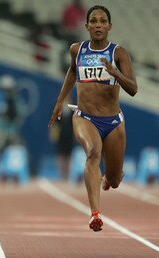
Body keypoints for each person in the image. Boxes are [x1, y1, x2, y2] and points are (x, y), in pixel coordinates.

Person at [48, 5, 138, 232]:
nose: (98, 25)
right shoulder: (77, 50)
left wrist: (115, 72)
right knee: (93, 152)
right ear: (86, 26)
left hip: (113, 121)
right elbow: (71, 71)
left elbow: (134, 89)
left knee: (116, 181)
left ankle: (110, 177)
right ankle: (95, 214)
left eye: (102, 21)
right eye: (94, 21)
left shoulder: (118, 53)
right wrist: (60, 101)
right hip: (85, 116)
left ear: (109, 26)